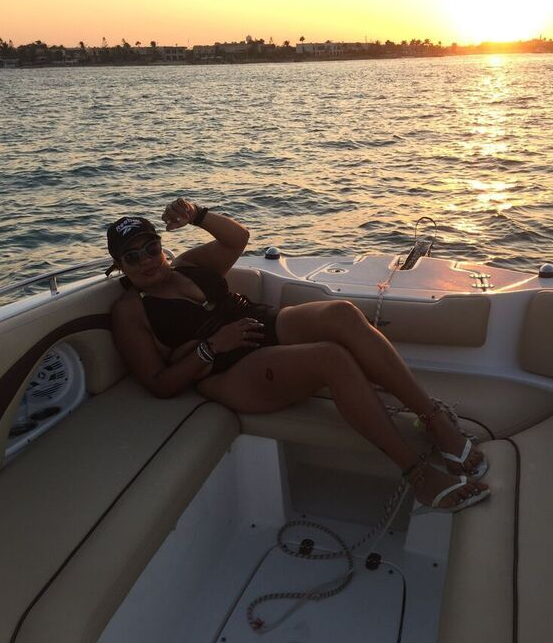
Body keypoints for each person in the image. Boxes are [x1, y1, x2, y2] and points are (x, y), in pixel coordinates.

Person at [108, 198, 490, 514]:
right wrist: (213, 346)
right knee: (331, 358)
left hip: (261, 323)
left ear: (161, 245)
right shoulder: (130, 311)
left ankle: (434, 420)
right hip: (227, 367)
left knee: (342, 313)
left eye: (150, 248)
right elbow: (159, 384)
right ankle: (416, 474)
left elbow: (238, 238)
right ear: (119, 265)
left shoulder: (189, 265)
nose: (146, 261)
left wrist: (197, 214)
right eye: (132, 257)